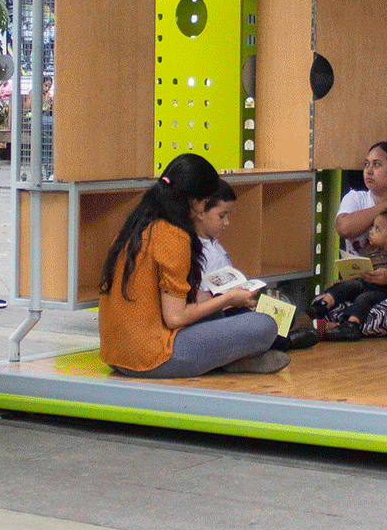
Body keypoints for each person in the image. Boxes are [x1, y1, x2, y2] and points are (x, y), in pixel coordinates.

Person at [97, 152, 287, 377]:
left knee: (217, 316)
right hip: (153, 357)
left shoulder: (134, 228)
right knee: (264, 325)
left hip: (116, 356)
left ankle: (231, 360)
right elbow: (175, 318)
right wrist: (228, 298)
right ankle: (232, 359)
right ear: (197, 204)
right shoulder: (173, 235)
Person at [308, 206, 387, 340]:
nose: (371, 232)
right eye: (373, 227)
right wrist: (346, 281)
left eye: (377, 229)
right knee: (345, 286)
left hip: (383, 291)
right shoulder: (369, 250)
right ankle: (321, 306)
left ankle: (351, 325)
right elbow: (359, 270)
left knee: (364, 299)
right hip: (363, 283)